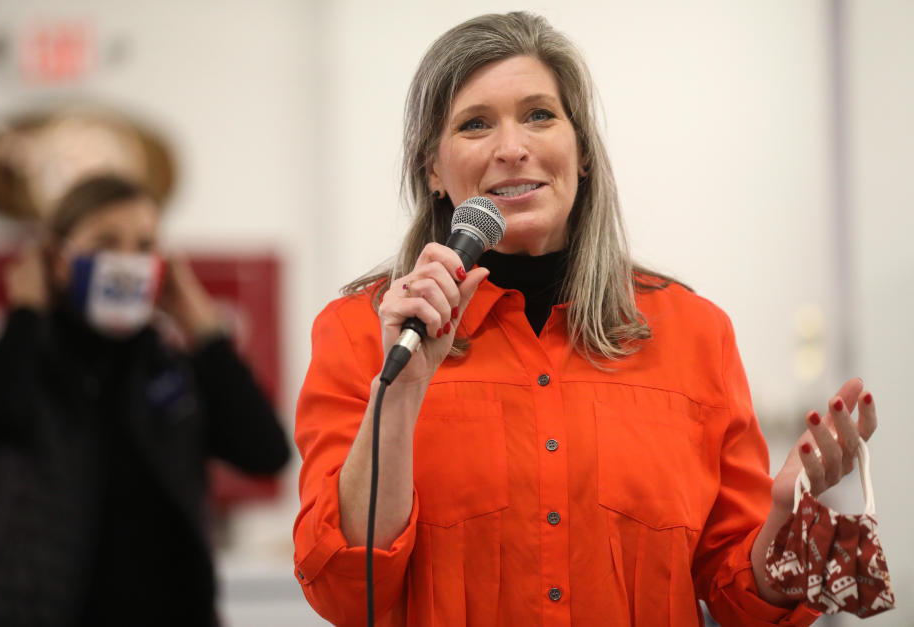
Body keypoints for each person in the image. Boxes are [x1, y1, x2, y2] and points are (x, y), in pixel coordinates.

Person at [293, 12, 879, 627]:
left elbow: (741, 600)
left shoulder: (695, 333)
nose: (511, 147)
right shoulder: (364, 334)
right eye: (474, 124)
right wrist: (403, 396)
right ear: (434, 170)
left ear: (583, 154)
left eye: (539, 115)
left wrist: (785, 518)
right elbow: (343, 590)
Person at [0, 175, 292, 627]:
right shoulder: (17, 362)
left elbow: (266, 452)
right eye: (105, 242)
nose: (127, 260)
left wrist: (202, 323)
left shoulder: (170, 366)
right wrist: (26, 308)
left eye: (143, 245)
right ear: (58, 259)